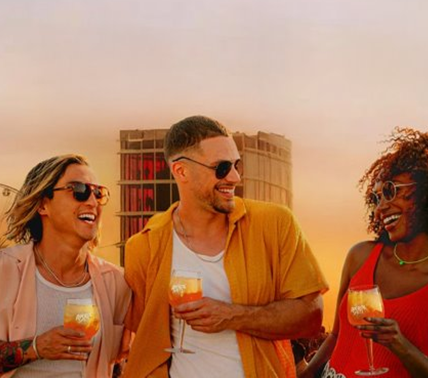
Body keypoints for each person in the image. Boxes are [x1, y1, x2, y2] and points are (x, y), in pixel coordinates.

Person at [123, 115, 328, 378]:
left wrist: (231, 316)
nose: (234, 177)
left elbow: (312, 317)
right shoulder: (143, 245)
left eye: (236, 165)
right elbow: (143, 330)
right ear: (181, 171)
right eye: (221, 168)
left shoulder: (275, 223)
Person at [304, 126, 428, 378]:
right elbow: (336, 335)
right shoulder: (361, 256)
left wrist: (400, 345)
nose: (381, 208)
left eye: (390, 191)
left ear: (426, 192)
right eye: (376, 198)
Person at [0, 154, 131, 377]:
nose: (92, 201)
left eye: (98, 193)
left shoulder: (117, 281)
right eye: (79, 190)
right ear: (43, 205)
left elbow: (129, 356)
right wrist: (36, 348)